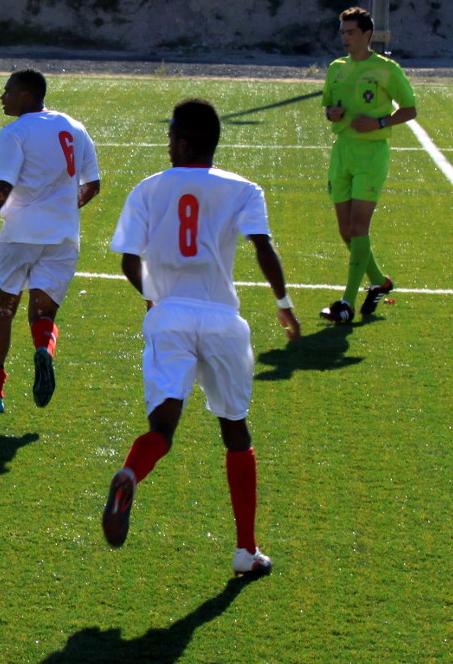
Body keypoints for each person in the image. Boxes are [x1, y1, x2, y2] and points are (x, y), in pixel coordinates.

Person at [102, 98, 300, 577]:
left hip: (169, 317)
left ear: (186, 143)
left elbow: (128, 259)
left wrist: (154, 297)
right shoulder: (244, 189)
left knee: (161, 429)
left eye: (171, 135)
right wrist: (283, 302)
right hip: (222, 320)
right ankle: (246, 551)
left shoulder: (148, 188)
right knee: (235, 432)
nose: (168, 142)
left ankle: (131, 473)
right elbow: (263, 247)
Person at [0, 69, 100, 414]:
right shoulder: (75, 127)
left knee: (4, 310)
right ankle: (43, 350)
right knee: (43, 312)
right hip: (63, 236)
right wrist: (64, 208)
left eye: (7, 92)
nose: (2, 98)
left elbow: (4, 186)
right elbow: (92, 185)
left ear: (26, 95)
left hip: (20, 234)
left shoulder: (15, 131)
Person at [319, 6, 417, 323]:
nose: (345, 38)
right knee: (346, 231)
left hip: (372, 154)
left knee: (359, 227)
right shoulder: (336, 68)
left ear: (367, 34)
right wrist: (331, 113)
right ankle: (380, 282)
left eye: (351, 33)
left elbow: (410, 109)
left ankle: (346, 303)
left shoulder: (387, 70)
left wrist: (379, 122)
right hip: (342, 152)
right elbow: (328, 106)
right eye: (343, 32)